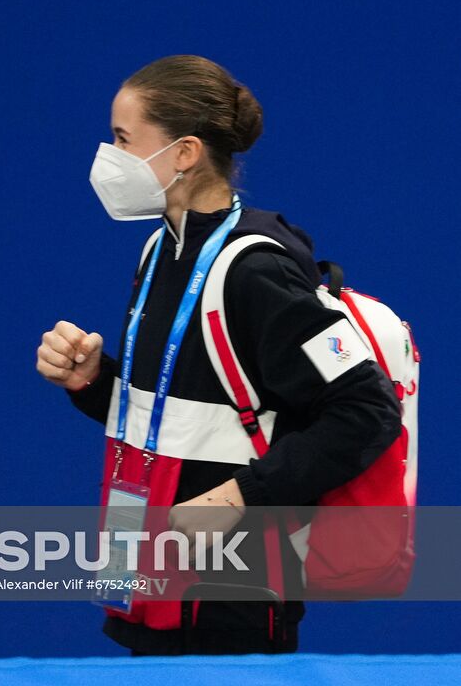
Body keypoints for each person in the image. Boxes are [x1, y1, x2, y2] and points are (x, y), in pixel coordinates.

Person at [36, 55, 402, 655]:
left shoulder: (256, 268)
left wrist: (241, 497)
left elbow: (366, 412)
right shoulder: (160, 248)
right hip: (146, 570)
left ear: (184, 153)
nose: (110, 156)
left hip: (229, 591)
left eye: (124, 140)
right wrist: (94, 381)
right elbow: (186, 416)